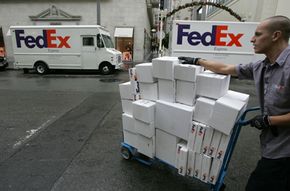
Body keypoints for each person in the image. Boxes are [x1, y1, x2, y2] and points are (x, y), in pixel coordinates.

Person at [179, 15, 290, 191]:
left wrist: (269, 120)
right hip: (272, 143)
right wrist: (197, 61)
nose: (252, 39)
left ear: (275, 36)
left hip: (284, 152)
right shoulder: (261, 66)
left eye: (258, 34)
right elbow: (226, 69)